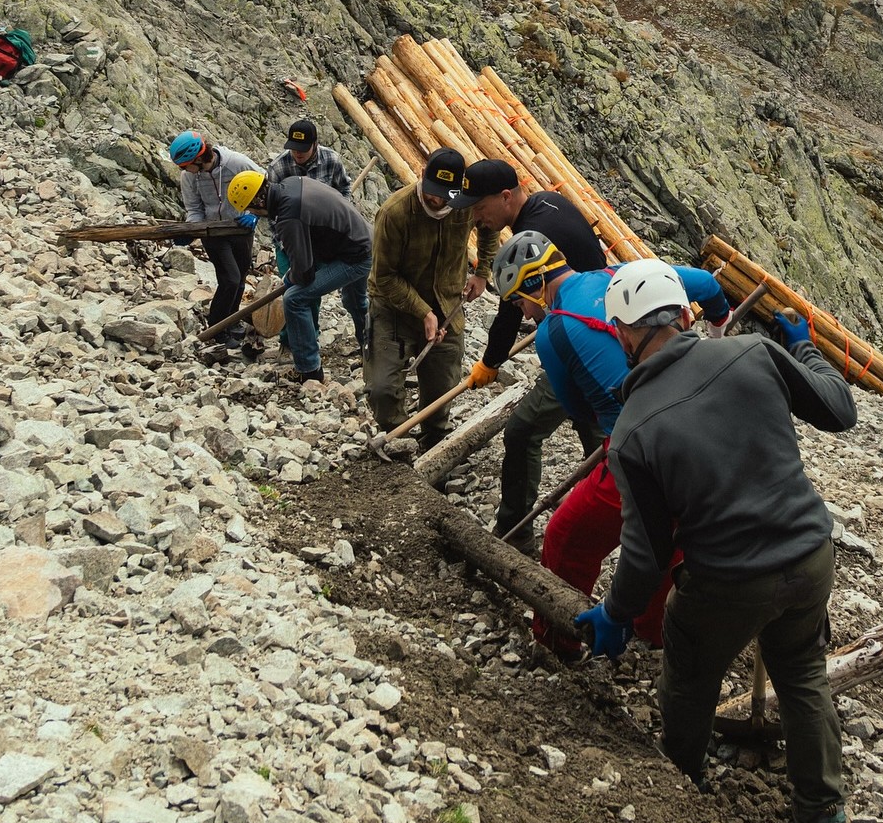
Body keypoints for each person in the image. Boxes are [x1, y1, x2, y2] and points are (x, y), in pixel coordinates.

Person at [571, 259, 857, 823]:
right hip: (810, 553)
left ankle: (682, 796)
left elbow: (646, 556)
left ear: (624, 331)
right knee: (802, 673)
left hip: (727, 579)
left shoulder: (631, 431)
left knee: (692, 678)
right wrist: (803, 350)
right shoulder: (753, 351)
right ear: (682, 313)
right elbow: (840, 411)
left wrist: (615, 613)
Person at [489, 234, 730, 659]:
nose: (522, 313)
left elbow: (575, 406)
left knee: (568, 537)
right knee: (670, 538)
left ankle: (556, 639)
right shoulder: (627, 274)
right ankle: (655, 631)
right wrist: (717, 337)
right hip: (706, 427)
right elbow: (711, 290)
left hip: (639, 447)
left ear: (532, 286)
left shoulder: (553, 329)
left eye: (517, 302)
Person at [451, 158, 608, 549]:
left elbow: (510, 305)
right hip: (597, 331)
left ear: (506, 196)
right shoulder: (546, 204)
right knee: (600, 432)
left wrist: (490, 361)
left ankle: (514, 534)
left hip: (578, 343)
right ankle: (612, 502)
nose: (476, 219)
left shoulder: (533, 234)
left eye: (480, 208)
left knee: (522, 431)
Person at [368, 148, 498, 449]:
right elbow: (384, 277)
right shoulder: (394, 212)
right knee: (382, 390)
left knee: (442, 390)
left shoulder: (466, 206)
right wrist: (424, 312)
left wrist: (482, 272)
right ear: (422, 176)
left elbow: (490, 229)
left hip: (448, 303)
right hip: (392, 308)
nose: (437, 201)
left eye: (445, 196)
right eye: (433, 192)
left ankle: (433, 443)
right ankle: (399, 441)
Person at [225, 170, 372, 383]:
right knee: (355, 300)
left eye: (250, 208)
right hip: (361, 240)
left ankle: (308, 369)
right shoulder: (292, 183)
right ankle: (372, 354)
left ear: (258, 201)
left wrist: (289, 279)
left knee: (294, 299)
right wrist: (294, 274)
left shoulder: (288, 216)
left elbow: (304, 271)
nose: (253, 212)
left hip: (354, 256)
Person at [263, 119, 352, 358]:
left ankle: (307, 338)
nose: (297, 154)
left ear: (315, 144)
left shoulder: (331, 161)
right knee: (293, 287)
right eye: (293, 148)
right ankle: (291, 341)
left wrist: (338, 222)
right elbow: (271, 211)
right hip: (288, 238)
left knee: (311, 290)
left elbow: (344, 190)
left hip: (321, 240)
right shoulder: (279, 168)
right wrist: (286, 243)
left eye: (303, 149)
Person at [167, 130, 261, 351]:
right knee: (229, 278)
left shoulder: (236, 163)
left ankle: (232, 319)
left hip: (240, 227)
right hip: (213, 231)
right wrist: (192, 230)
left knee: (240, 276)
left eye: (184, 165)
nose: (183, 171)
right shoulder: (189, 177)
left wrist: (255, 212)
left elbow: (263, 182)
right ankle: (217, 329)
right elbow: (194, 208)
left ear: (198, 159)